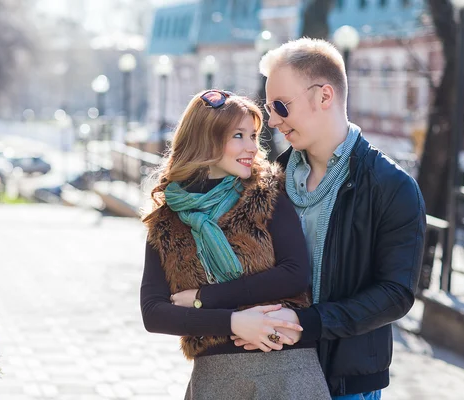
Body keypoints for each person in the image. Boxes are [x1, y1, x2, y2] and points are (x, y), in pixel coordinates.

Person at [230, 38, 427, 399]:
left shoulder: (392, 186)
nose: (272, 120)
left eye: (280, 106)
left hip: (346, 384)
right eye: (269, 107)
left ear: (324, 96)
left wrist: (309, 323)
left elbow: (396, 293)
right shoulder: (273, 176)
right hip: (271, 371)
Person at [140, 89, 331, 399]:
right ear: (206, 138)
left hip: (288, 370)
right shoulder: (166, 220)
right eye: (238, 136)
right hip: (218, 378)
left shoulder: (267, 192)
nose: (251, 147)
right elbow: (154, 312)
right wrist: (234, 323)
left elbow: (295, 272)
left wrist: (204, 297)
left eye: (254, 136)